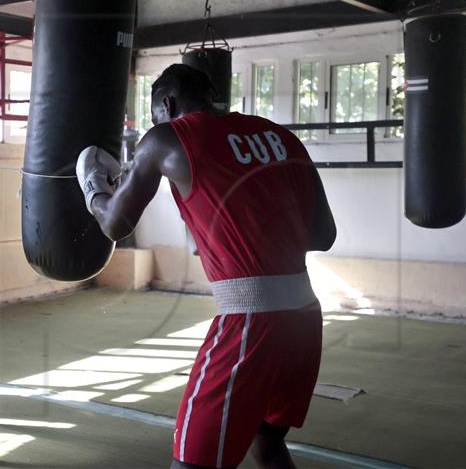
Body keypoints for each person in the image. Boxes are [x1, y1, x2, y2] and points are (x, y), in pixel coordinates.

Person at [76, 64, 336, 469]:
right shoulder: (280, 135)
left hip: (251, 323)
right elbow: (324, 235)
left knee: (192, 464)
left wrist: (93, 187)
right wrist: (249, 229)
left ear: (167, 103)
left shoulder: (166, 138)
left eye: (154, 115)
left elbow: (115, 224)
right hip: (305, 319)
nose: (154, 124)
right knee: (267, 444)